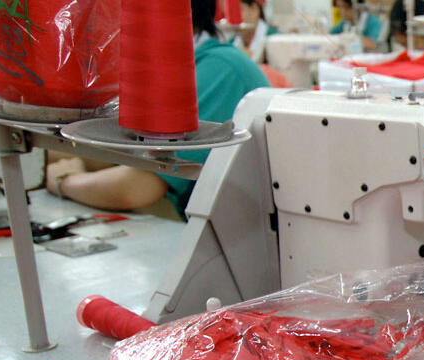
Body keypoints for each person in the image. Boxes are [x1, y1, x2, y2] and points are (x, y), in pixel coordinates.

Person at [45, 0, 270, 219]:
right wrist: (46, 157)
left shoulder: (219, 69)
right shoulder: (167, 73)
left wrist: (64, 181)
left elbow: (140, 186)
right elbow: (125, 151)